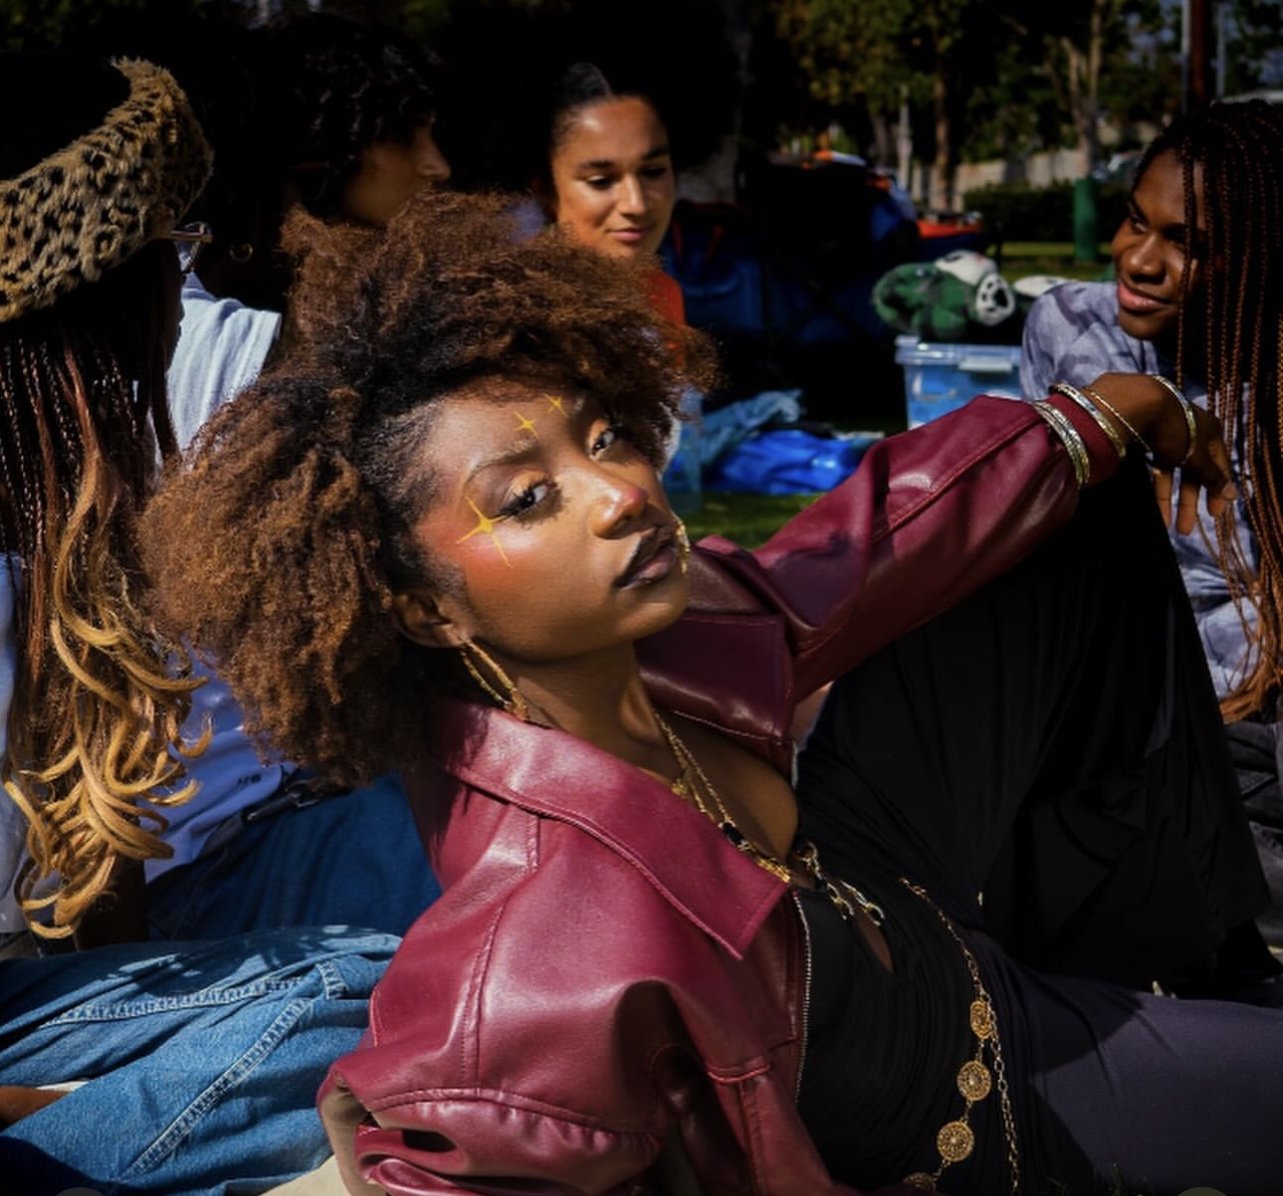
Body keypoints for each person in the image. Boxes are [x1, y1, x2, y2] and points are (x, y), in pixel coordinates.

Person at [142, 192, 1279, 1196]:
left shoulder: (664, 632)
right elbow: (458, 1124)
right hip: (968, 1100)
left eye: (602, 440)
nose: (620, 495)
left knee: (1064, 510)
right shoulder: (537, 962)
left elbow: (868, 545)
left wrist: (1109, 411)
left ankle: (1175, 939)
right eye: (527, 499)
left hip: (894, 893)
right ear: (426, 610)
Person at [0, 55, 396, 1195]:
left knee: (469, 945)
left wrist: (155, 1035)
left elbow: (98, 897)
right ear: (82, 322)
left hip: (52, 1003)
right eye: (162, 260)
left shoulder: (63, 536)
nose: (185, 292)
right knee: (382, 1002)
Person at [145, 13, 449, 941]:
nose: (436, 168)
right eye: (407, 137)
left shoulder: (216, 330)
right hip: (233, 858)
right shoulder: (238, 351)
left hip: (296, 810)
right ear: (316, 165)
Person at [1022, 98, 1283, 956]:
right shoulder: (1069, 329)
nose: (1139, 260)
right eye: (1137, 222)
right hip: (1099, 725)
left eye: (1188, 244)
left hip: (1242, 749)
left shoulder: (1272, 387)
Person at [533, 61, 686, 328]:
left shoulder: (662, 295)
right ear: (546, 192)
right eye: (601, 181)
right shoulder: (519, 314)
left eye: (653, 172)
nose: (636, 204)